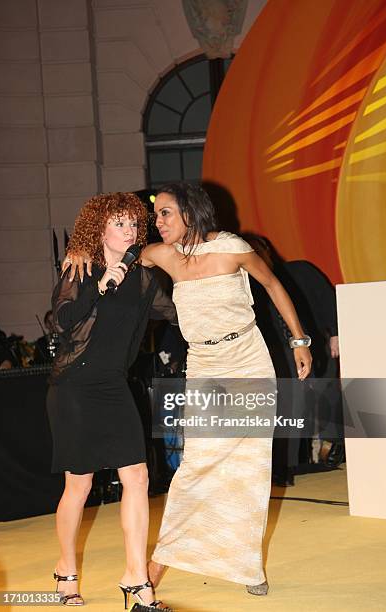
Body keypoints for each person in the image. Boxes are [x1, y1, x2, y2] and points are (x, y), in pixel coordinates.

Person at [64, 182, 312, 596]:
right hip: (204, 366)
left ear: (190, 214)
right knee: (196, 468)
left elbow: (272, 285)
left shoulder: (231, 247)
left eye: (164, 213)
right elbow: (114, 252)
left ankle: (249, 566)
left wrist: (299, 340)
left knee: (249, 471)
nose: (155, 222)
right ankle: (156, 566)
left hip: (248, 360)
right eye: (155, 214)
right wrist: (81, 252)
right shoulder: (162, 255)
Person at [48, 192, 174, 610]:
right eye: (119, 223)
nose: (129, 231)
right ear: (98, 228)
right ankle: (66, 569)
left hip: (114, 385)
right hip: (75, 386)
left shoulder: (144, 279)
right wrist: (100, 287)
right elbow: (61, 321)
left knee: (136, 476)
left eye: (134, 224)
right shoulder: (80, 268)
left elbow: (175, 314)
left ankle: (137, 579)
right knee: (79, 483)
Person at [241, 234, 343, 485]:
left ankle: (334, 446)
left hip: (316, 345)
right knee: (290, 408)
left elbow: (328, 301)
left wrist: (337, 333)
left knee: (326, 397)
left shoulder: (299, 270)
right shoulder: (247, 286)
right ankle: (292, 466)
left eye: (256, 251)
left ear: (267, 251)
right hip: (279, 357)